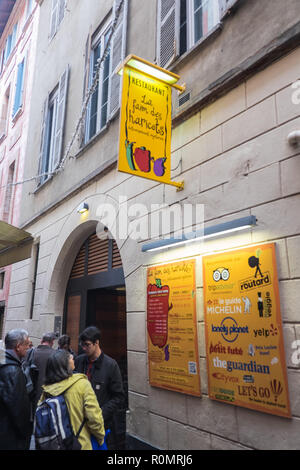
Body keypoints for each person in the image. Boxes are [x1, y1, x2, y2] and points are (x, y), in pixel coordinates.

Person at [38, 349, 105, 450]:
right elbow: (94, 418)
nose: (74, 360)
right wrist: (101, 438)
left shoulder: (47, 389)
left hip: (56, 445)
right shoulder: (82, 384)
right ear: (66, 364)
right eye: (71, 358)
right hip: (80, 444)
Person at [75, 326, 125, 449]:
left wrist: (99, 414)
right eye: (82, 345)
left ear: (97, 343)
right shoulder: (79, 361)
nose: (84, 348)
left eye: (87, 345)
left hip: (101, 426)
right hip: (79, 424)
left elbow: (118, 397)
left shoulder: (111, 365)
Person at [0, 329, 32, 450]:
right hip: (8, 435)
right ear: (18, 346)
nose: (29, 347)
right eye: (27, 344)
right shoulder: (13, 371)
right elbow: (18, 409)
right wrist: (25, 433)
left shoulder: (3, 361)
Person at [28, 332, 57, 412]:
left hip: (31, 394)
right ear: (52, 342)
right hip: (48, 396)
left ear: (41, 341)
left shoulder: (30, 353)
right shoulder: (55, 355)